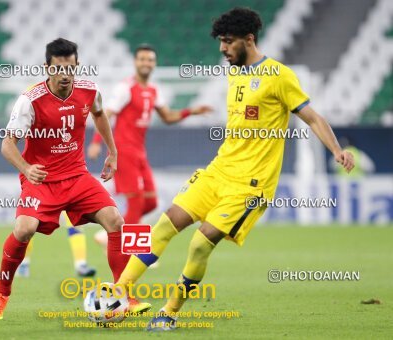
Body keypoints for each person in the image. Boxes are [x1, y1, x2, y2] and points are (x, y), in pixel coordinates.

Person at [115, 8, 355, 331]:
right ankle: (120, 292)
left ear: (249, 39)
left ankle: (169, 312)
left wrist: (337, 150)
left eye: (228, 42)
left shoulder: (280, 76)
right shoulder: (234, 71)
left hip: (250, 186)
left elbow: (312, 117)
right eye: (221, 42)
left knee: (200, 244)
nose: (222, 49)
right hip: (219, 171)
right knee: (164, 224)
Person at [0, 38, 147, 320]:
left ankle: (125, 295)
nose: (65, 75)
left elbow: (100, 115)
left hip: (77, 176)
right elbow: (7, 144)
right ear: (47, 67)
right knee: (23, 229)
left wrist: (113, 152)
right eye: (58, 69)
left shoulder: (89, 90)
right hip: (42, 180)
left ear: (77, 66)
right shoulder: (30, 100)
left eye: (70, 68)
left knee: (116, 221)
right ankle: (1, 294)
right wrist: (26, 169)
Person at [88, 44, 211, 253]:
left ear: (154, 63)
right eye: (142, 59)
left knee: (152, 202)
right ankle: (134, 251)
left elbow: (168, 117)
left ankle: (108, 235)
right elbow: (106, 115)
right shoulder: (125, 88)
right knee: (136, 202)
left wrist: (191, 111)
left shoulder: (154, 90)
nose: (146, 63)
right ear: (136, 62)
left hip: (140, 153)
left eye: (150, 60)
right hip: (124, 151)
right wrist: (96, 142)